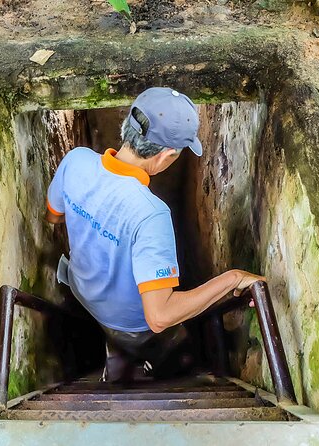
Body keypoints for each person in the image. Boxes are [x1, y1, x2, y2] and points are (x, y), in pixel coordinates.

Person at [46, 87, 265, 382]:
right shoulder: (151, 214)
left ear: (128, 127)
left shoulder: (75, 160)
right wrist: (233, 278)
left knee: (117, 330)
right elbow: (160, 317)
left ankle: (117, 353)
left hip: (82, 291)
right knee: (173, 343)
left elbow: (53, 216)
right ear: (166, 156)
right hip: (128, 322)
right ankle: (152, 366)